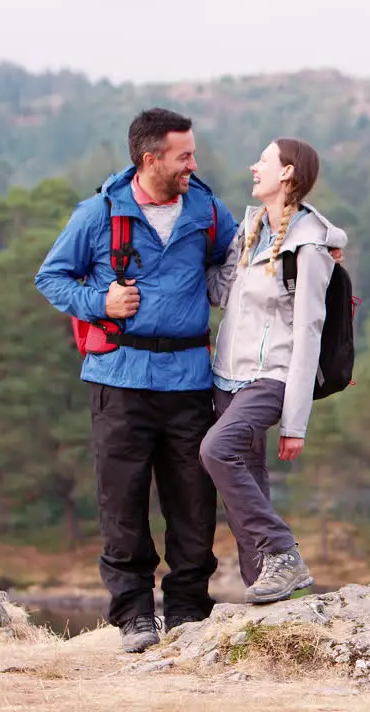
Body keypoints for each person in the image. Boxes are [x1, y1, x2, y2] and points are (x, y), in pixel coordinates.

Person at [34, 108, 237, 652]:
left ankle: (190, 612)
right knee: (122, 503)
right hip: (118, 379)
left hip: (192, 378)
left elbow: (242, 261)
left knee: (194, 502)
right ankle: (134, 617)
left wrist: (320, 251)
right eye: (184, 155)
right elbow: (50, 277)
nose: (193, 163)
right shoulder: (97, 214)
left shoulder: (208, 209)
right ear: (151, 159)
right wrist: (98, 300)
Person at [201, 137, 348, 604]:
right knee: (247, 484)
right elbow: (222, 294)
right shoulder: (252, 230)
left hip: (272, 376)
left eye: (263, 160)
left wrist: (294, 422)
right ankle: (264, 597)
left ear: (287, 173)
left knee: (217, 450)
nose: (253, 167)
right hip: (226, 376)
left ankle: (283, 551)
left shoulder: (308, 247)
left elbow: (309, 333)